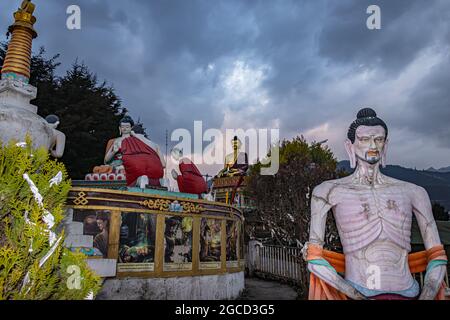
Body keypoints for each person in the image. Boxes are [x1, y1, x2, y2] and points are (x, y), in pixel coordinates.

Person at [304, 108, 447, 300]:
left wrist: (427, 295)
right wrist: (353, 294)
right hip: (357, 289)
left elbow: (437, 256)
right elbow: (314, 259)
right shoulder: (327, 191)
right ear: (350, 146)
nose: (373, 145)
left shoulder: (414, 192)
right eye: (364, 140)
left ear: (385, 145)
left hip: (409, 291)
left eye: (378, 140)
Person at [104, 116, 166, 187]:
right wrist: (113, 151)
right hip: (115, 165)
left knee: (125, 171)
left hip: (128, 166)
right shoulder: (115, 141)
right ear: (119, 128)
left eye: (127, 127)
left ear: (131, 128)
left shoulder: (137, 141)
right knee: (102, 169)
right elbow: (106, 160)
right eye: (122, 127)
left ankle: (141, 181)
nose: (124, 129)